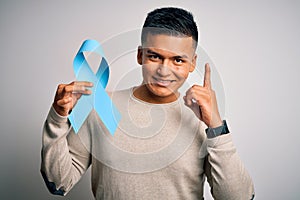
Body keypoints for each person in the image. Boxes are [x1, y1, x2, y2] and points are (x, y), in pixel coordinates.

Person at [40, 7, 255, 200]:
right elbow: (58, 183)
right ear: (140, 55)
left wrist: (216, 125)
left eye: (178, 60)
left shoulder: (203, 120)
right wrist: (58, 117)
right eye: (154, 57)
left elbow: (238, 198)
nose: (164, 70)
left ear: (192, 63)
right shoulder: (102, 107)